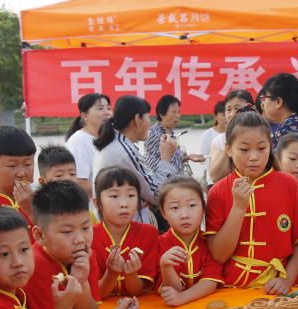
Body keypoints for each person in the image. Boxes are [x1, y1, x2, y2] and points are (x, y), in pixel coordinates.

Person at [205, 108, 298, 292]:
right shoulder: (218, 191)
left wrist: (287, 280)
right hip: (233, 286)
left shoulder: (288, 184)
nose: (254, 157)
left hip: (278, 285)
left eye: (262, 148)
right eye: (244, 149)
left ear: (271, 147)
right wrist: (238, 208)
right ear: (229, 150)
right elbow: (219, 255)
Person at [24, 181, 135, 309]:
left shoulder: (85, 254)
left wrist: (82, 282)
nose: (80, 239)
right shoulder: (33, 265)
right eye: (67, 231)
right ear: (40, 235)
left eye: (85, 227)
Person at [92, 95, 177, 226]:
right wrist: (166, 157)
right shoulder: (124, 149)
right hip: (132, 227)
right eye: (148, 116)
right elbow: (156, 194)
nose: (150, 122)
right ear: (137, 119)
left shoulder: (114, 143)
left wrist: (142, 198)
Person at [91, 166, 160, 297]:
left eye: (131, 195)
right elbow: (97, 293)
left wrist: (131, 274)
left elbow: (138, 291)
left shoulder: (148, 233)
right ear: (97, 203)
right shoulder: (89, 237)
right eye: (114, 196)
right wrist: (111, 274)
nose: (124, 203)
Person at [156, 176, 223, 306]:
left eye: (192, 205)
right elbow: (172, 291)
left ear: (203, 208)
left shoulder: (210, 242)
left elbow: (210, 282)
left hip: (206, 305)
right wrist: (166, 267)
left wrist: (182, 298)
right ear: (163, 212)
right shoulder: (158, 244)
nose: (184, 215)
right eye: (175, 208)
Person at [65, 93, 112, 198]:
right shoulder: (79, 141)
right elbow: (79, 182)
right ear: (84, 116)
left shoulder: (104, 139)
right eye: (100, 108)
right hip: (91, 210)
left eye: (108, 108)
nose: (107, 113)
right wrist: (111, 195)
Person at [145, 94, 204, 176]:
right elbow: (159, 163)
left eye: (179, 112)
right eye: (174, 112)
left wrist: (187, 157)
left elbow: (172, 159)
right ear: (162, 114)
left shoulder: (171, 134)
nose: (178, 116)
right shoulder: (154, 133)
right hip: (162, 185)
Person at [208, 90, 255, 183]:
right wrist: (229, 143)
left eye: (238, 108)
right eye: (228, 109)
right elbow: (215, 177)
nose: (232, 114)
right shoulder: (220, 140)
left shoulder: (264, 136)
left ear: (252, 109)